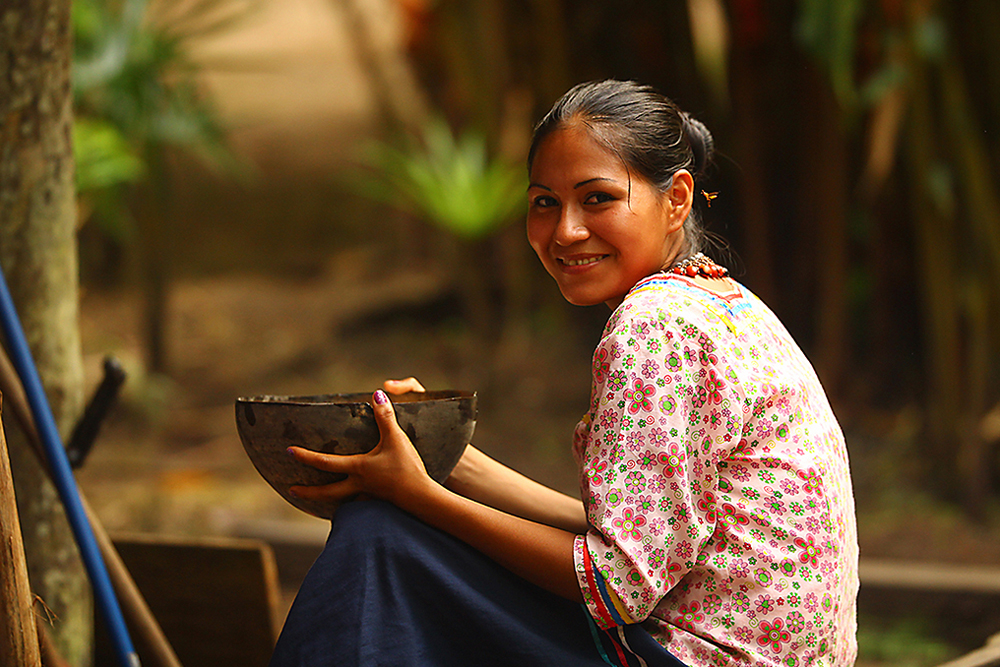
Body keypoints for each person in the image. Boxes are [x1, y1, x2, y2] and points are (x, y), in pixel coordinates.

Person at [271, 79, 859, 667]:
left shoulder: (655, 324)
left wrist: (418, 496)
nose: (565, 231)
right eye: (544, 202)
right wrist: (449, 462)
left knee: (380, 535)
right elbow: (641, 537)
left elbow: (615, 584)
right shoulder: (724, 304)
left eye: (597, 198)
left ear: (677, 199)